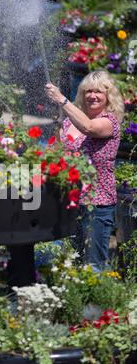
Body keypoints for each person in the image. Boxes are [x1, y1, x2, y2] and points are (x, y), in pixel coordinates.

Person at [45, 70, 124, 272]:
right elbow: (55, 154)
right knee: (72, 263)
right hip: (69, 201)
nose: (92, 96)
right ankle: (76, 303)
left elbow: (89, 127)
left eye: (99, 92)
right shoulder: (69, 122)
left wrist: (62, 99)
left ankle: (100, 304)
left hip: (97, 203)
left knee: (94, 265)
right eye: (88, 91)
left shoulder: (110, 122)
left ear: (108, 96)